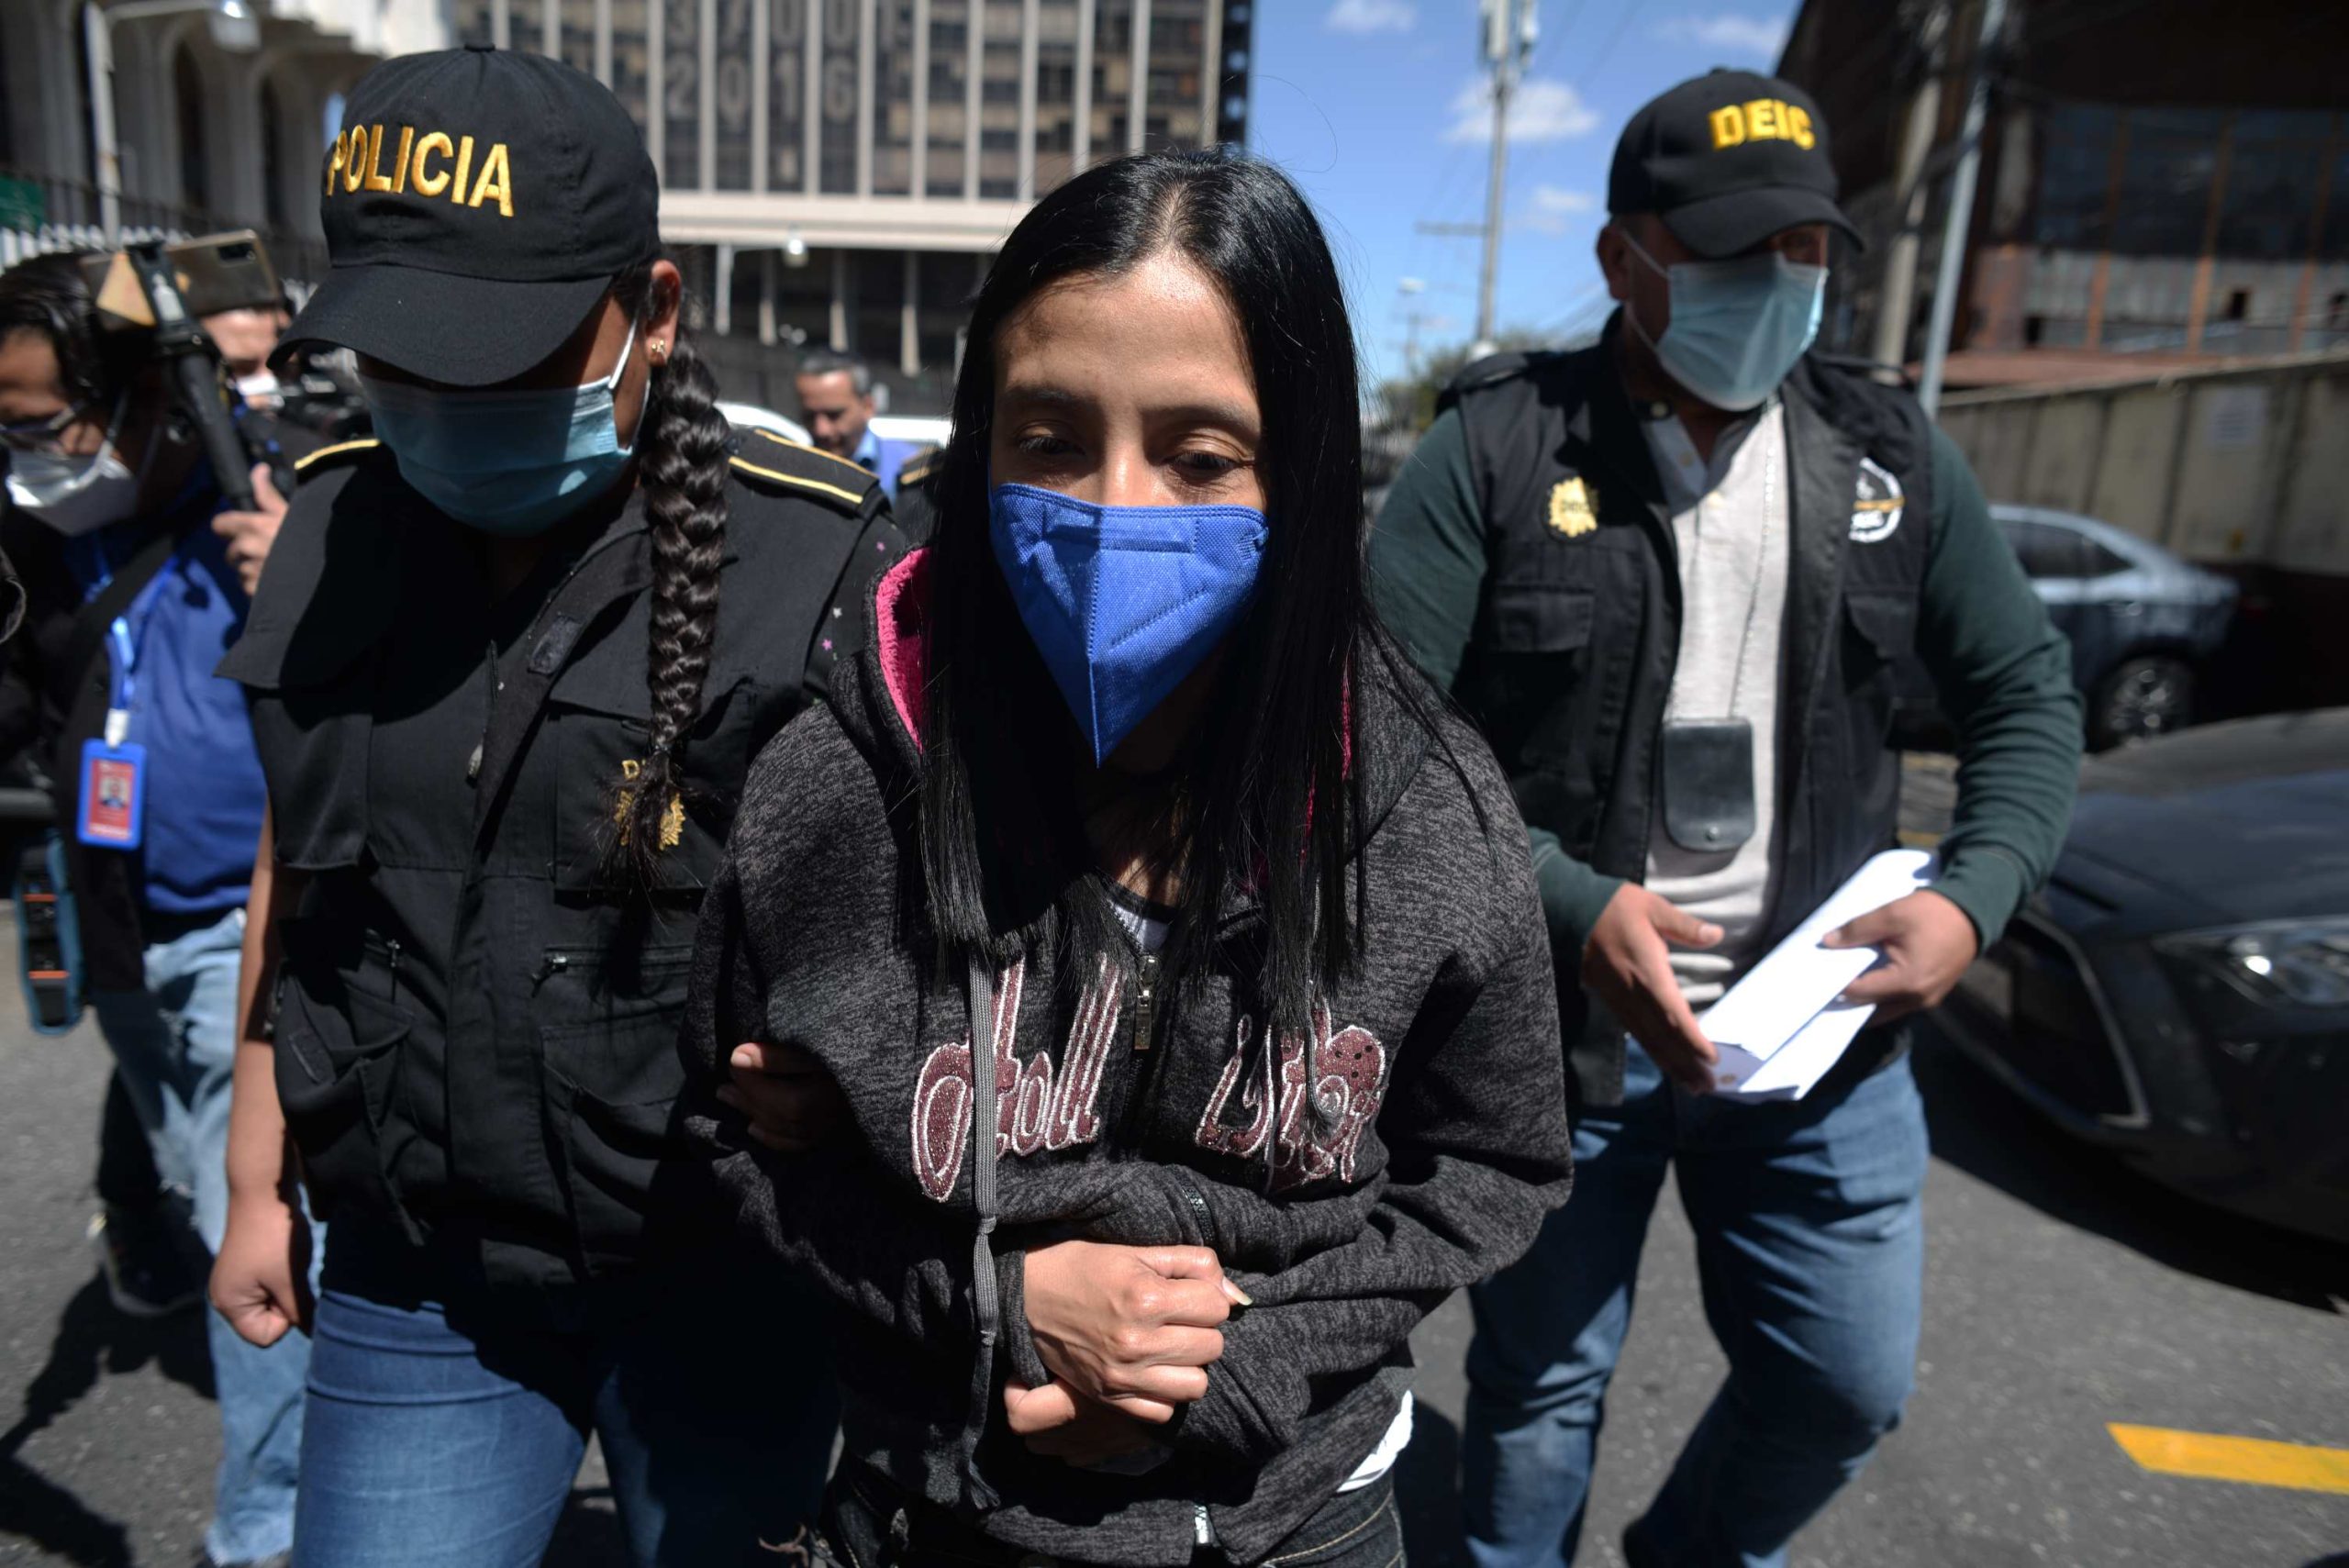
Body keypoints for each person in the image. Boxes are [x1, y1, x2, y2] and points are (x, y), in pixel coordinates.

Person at [682, 148, 1575, 1568]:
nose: (1114, 509)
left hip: (1301, 1523)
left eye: (1199, 454)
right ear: (976, 447)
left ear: (1306, 464)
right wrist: (994, 1298)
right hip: (940, 1513)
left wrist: (1224, 1366)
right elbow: (740, 1138)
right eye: (1047, 437)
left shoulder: (1426, 810)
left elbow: (1493, 1164)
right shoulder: (836, 790)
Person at [1369, 69, 2084, 1568]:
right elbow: (1379, 735)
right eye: (1730, 252)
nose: (1774, 284)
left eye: (1805, 251)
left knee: (1841, 1382)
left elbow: (2025, 691)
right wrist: (1569, 903)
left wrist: (1975, 894)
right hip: (1564, 1038)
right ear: (1624, 257)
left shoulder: (1886, 455)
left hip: (1824, 1036)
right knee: (1539, 1385)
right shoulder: (1497, 451)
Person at [206, 48, 903, 1567]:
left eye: (504, 355)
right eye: (406, 357)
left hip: (721, 1266)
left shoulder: (818, 555)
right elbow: (305, 862)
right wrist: (256, 1174)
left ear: (652, 310)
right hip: (422, 1264)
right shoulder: (336, 517)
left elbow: (911, 908)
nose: (447, 401)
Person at [0, 250, 306, 1568]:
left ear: (135, 398)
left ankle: (269, 1533)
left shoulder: (279, 495)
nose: (24, 452)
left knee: (261, 1229)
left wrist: (298, 577)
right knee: (212, 1199)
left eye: (41, 423)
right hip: (115, 923)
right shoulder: (40, 539)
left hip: (242, 932)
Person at [794, 347, 926, 495]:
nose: (821, 430)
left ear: (868, 407)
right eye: (809, 416)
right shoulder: (794, 471)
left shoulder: (909, 471)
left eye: (834, 415)